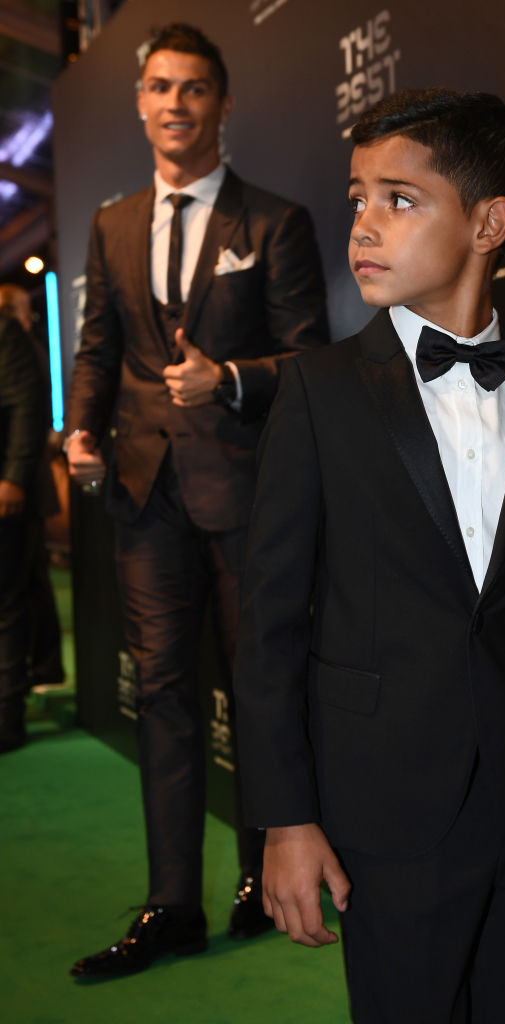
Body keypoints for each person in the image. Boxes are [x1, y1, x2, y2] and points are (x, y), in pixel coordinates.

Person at [233, 88, 505, 1022]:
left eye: (400, 199)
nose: (364, 224)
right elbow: (270, 624)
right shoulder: (318, 393)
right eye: (357, 198)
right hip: (386, 809)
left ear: (489, 224)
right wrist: (285, 819)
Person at [65, 23, 328, 979]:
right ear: (140, 103)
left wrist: (232, 379)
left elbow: (309, 361)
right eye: (160, 87)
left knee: (262, 686)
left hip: (247, 491)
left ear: (223, 104)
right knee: (163, 694)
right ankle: (172, 904)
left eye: (195, 88)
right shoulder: (112, 224)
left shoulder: (277, 221)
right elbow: (99, 348)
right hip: (144, 495)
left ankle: (266, 876)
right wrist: (80, 431)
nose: (175, 103)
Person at [0, 283, 65, 693]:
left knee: (21, 586)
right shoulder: (25, 343)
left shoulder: (17, 344)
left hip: (21, 484)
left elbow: (28, 408)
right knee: (30, 580)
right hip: (24, 479)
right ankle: (42, 667)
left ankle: (38, 671)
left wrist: (13, 477)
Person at [0, 312, 48, 751]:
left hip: (3, 491)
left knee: (6, 604)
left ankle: (6, 718)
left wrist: (13, 476)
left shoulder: (3, 330)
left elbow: (26, 403)